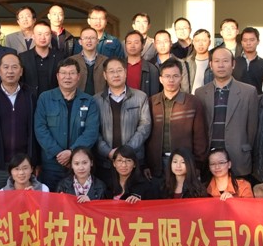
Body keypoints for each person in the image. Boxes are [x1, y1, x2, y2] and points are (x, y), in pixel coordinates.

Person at [34, 58, 100, 191]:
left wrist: (72, 153)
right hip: (52, 165)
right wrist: (58, 153)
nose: (67, 77)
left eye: (72, 73)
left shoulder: (89, 101)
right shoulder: (45, 98)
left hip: (79, 167)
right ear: (57, 76)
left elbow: (91, 131)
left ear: (78, 76)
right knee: (51, 202)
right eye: (63, 73)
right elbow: (40, 128)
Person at [0, 53, 38, 191]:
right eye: (6, 67)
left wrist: (35, 161)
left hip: (24, 166)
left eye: (14, 67)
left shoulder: (30, 96)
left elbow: (35, 130)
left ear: (21, 71)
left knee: (23, 203)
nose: (10, 71)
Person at [195, 47, 258, 179]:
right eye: (217, 61)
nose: (221, 65)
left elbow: (252, 129)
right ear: (211, 65)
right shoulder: (200, 93)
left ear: (233, 64)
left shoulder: (249, 92)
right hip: (209, 158)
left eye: (225, 61)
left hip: (238, 157)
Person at [145, 59, 208, 180]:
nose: (171, 80)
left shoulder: (193, 102)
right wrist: (146, 164)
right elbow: (146, 135)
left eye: (175, 76)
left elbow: (200, 137)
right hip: (157, 163)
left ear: (181, 78)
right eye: (167, 76)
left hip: (184, 164)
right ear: (160, 79)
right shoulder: (151, 102)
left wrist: (198, 165)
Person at [93, 57, 151, 186]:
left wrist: (126, 152)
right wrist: (108, 152)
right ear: (105, 75)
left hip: (133, 161)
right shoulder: (96, 100)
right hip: (105, 162)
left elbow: (145, 126)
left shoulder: (140, 97)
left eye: (119, 70)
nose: (116, 75)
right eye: (111, 71)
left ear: (125, 73)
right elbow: (93, 131)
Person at [19, 20, 64, 97]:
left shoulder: (60, 57)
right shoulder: (23, 57)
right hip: (29, 99)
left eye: (46, 34)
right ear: (33, 36)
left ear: (51, 36)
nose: (43, 37)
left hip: (54, 99)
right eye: (39, 34)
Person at [69, 26, 107, 95]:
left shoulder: (106, 61)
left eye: (92, 38)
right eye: (86, 38)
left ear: (97, 41)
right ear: (80, 42)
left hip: (101, 99)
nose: (89, 41)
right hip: (77, 99)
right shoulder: (71, 61)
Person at [123, 30, 160, 97]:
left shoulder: (152, 69)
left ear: (143, 45)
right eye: (129, 43)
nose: (132, 46)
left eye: (136, 42)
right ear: (125, 46)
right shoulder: (118, 67)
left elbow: (154, 96)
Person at [233, 27, 263, 94]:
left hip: (257, 98)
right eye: (245, 40)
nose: (248, 43)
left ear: (258, 41)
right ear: (241, 42)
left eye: (252, 40)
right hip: (236, 99)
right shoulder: (233, 63)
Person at [191, 28, 211, 92]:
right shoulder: (187, 62)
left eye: (204, 40)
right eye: (197, 41)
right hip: (190, 97)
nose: (200, 44)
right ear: (193, 42)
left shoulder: (215, 62)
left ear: (209, 42)